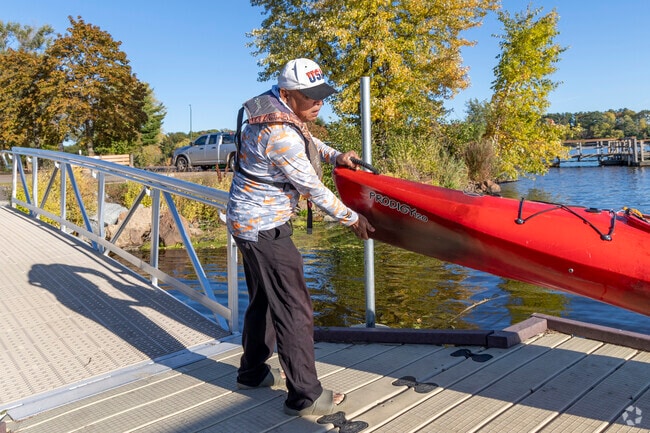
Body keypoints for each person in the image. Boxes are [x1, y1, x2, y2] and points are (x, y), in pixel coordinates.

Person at [226, 58, 374, 416]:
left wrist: (338, 156)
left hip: (247, 222)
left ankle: (252, 373)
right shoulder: (278, 134)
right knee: (295, 308)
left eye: (322, 95)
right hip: (264, 228)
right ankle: (305, 395)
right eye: (311, 97)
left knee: (264, 299)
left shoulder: (276, 108)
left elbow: (308, 139)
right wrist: (353, 219)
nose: (319, 103)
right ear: (289, 95)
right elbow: (313, 188)